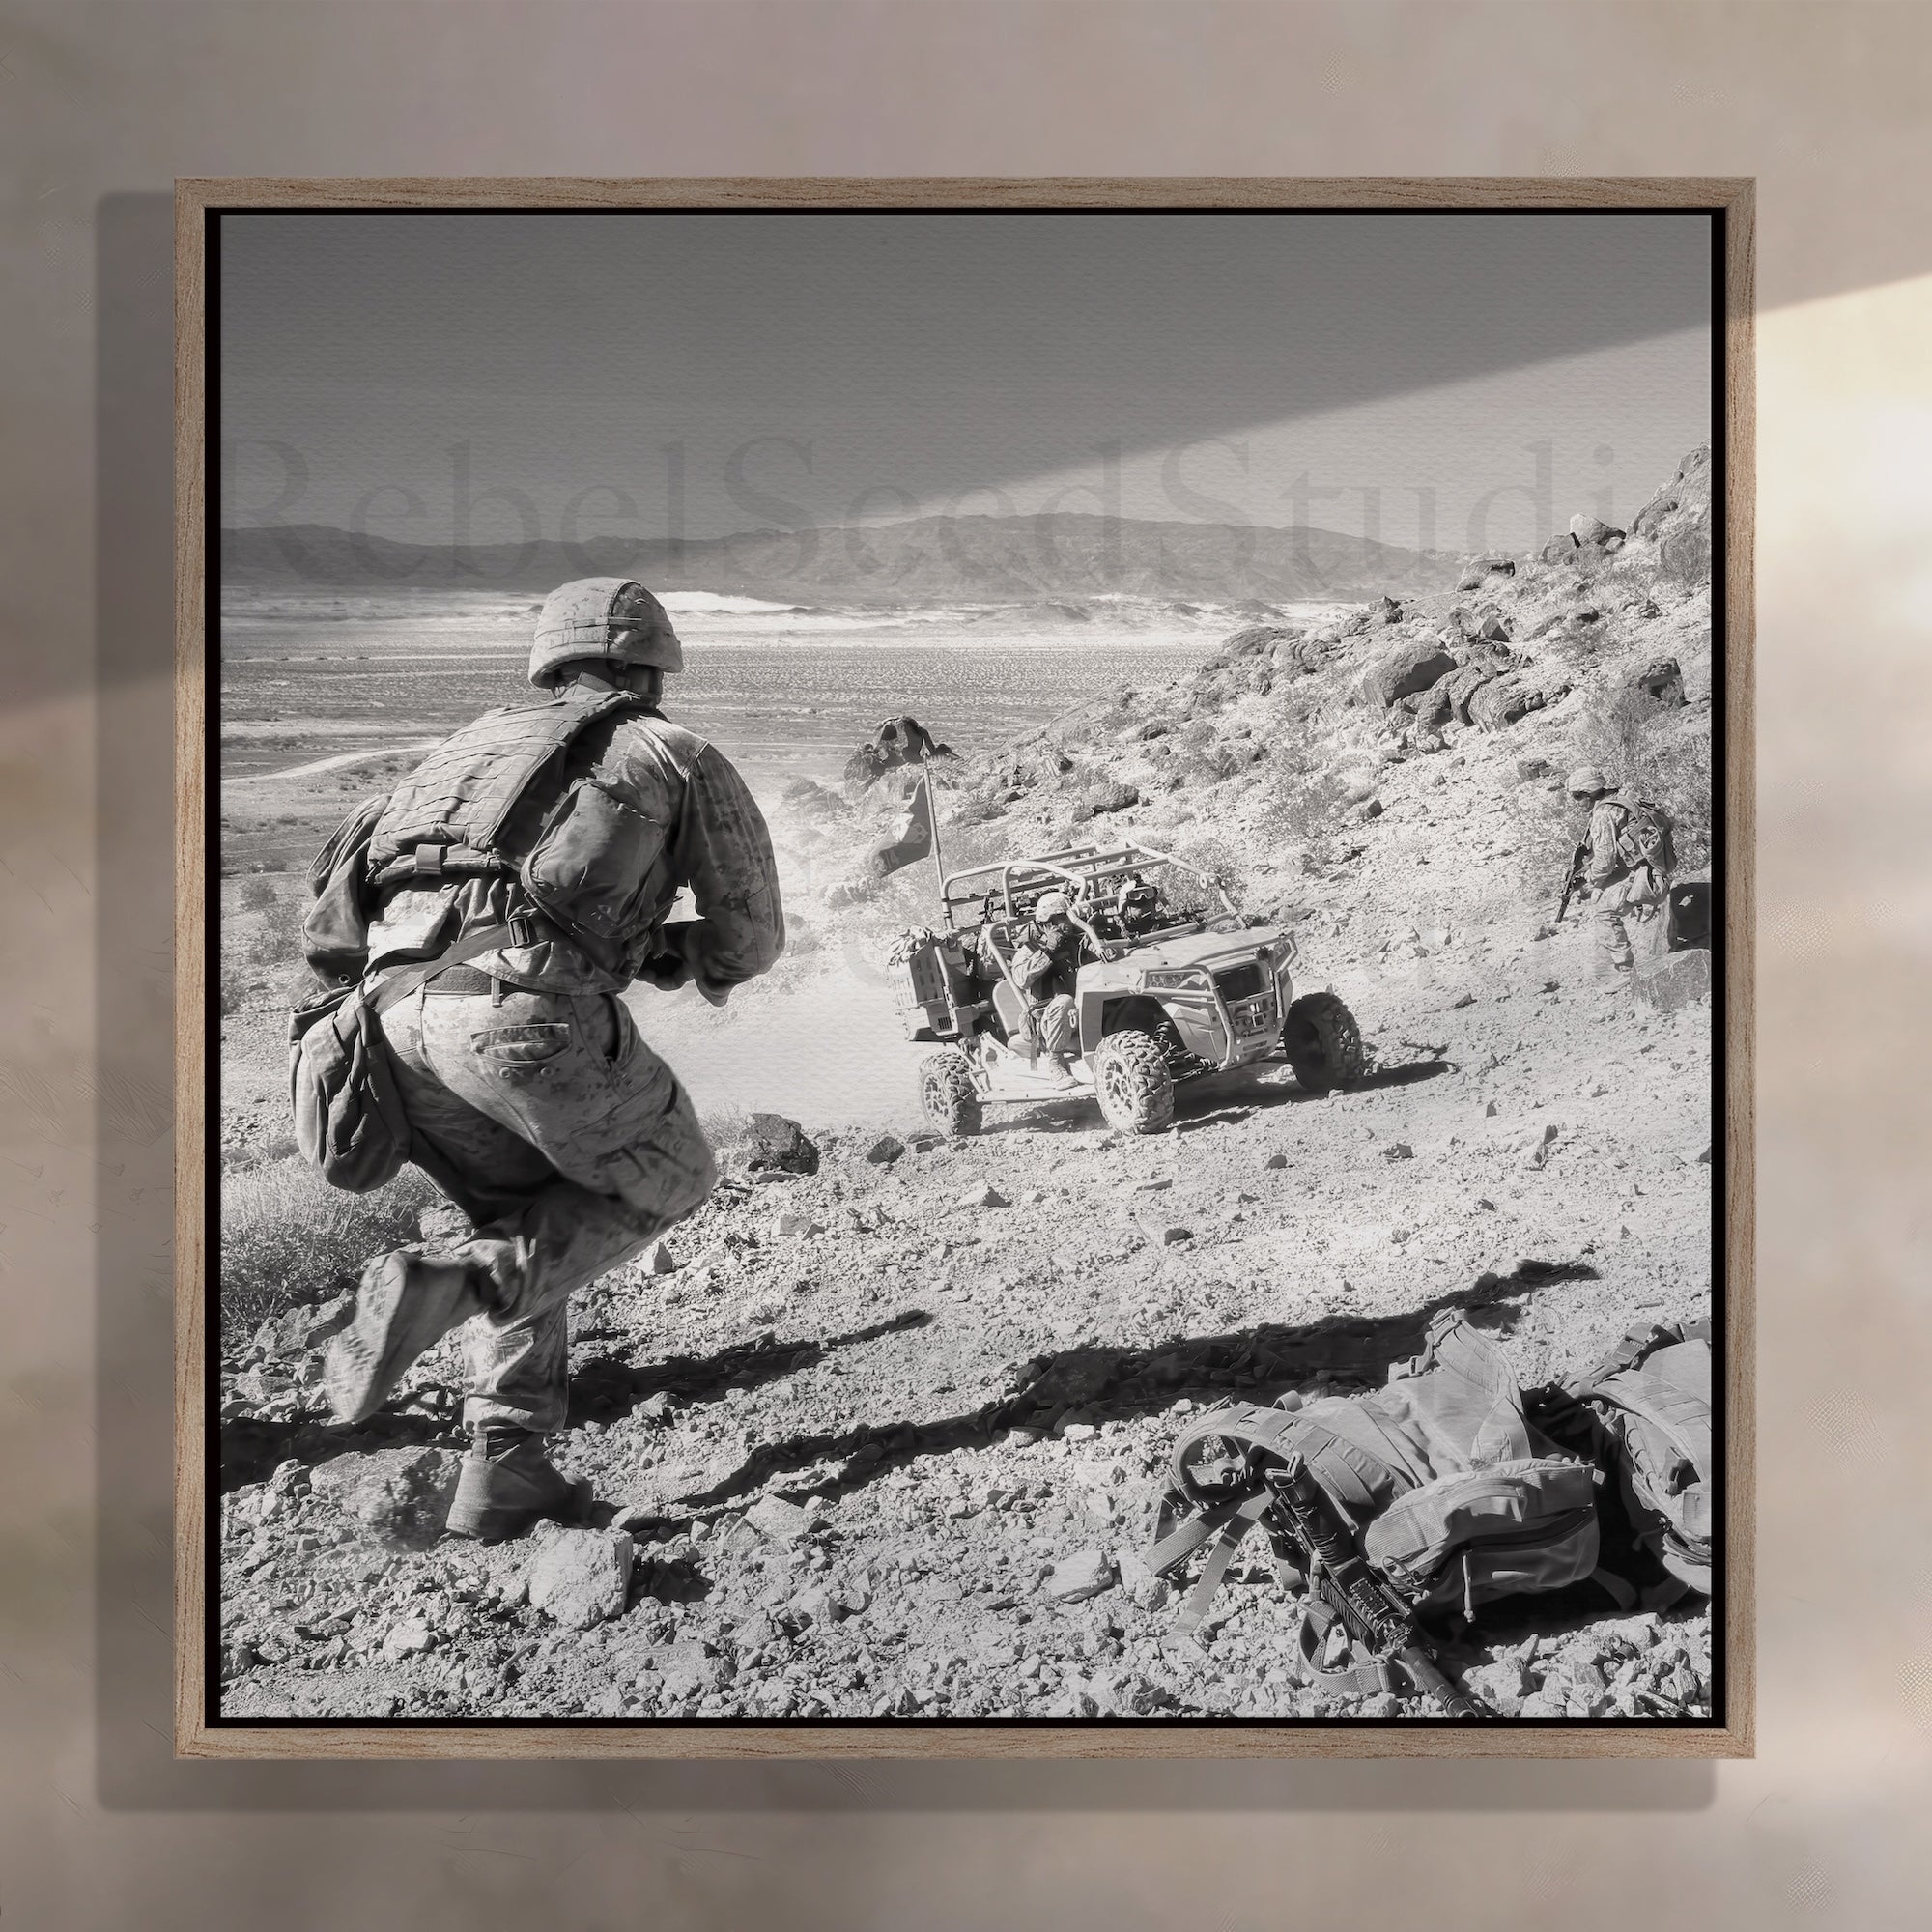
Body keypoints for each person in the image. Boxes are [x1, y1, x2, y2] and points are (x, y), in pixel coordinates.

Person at [306, 577, 784, 1539]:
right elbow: (749, 936)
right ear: (648, 667)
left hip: (382, 1023)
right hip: (517, 1017)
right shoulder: (667, 750)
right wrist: (687, 954)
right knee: (674, 1173)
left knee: (531, 1214)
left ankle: (507, 1462)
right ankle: (452, 1286)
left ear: (549, 666)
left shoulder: (453, 754)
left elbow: (330, 925)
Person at [1566, 765, 1668, 982]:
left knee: (1603, 909)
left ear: (1590, 793)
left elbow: (1604, 861)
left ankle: (1625, 971)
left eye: (1577, 796)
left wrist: (1588, 879)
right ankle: (1603, 963)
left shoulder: (1603, 814)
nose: (1576, 803)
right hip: (1656, 867)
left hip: (1647, 877)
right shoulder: (1622, 797)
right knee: (1600, 894)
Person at [1009, 888, 1103, 1084]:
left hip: (1082, 1010)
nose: (1067, 924)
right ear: (1047, 922)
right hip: (1045, 1019)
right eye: (1061, 918)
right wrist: (1047, 953)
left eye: (1068, 917)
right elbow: (1020, 979)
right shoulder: (1030, 949)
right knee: (1063, 1001)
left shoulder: (1075, 943)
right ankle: (1056, 1063)